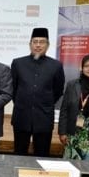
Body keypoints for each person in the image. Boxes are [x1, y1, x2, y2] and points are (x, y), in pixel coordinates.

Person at [11, 27, 65, 157]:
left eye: (42, 42)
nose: (38, 45)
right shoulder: (18, 63)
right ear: (30, 44)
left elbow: (58, 90)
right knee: (19, 153)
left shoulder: (56, 65)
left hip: (44, 118)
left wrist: (45, 103)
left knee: (42, 154)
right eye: (35, 41)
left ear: (47, 45)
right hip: (21, 116)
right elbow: (13, 89)